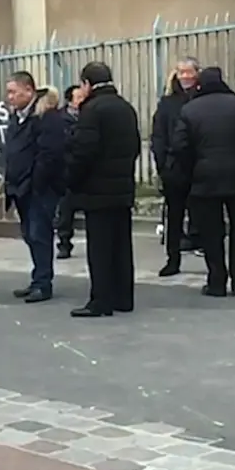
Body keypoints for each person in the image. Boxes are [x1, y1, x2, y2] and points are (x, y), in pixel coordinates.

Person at [170, 67, 235, 297]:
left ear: (200, 84)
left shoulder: (190, 110)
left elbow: (180, 147)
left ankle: (216, 281)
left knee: (211, 233)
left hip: (204, 178)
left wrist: (192, 170)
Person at [65, 62, 140, 318]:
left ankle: (101, 301)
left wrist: (72, 179)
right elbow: (135, 146)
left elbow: (84, 151)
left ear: (87, 83)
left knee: (99, 248)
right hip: (122, 187)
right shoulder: (125, 108)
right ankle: (123, 297)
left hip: (97, 190)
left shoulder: (92, 110)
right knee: (121, 245)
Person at [3, 72, 68, 303]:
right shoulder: (17, 117)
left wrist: (34, 181)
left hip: (39, 188)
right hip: (19, 187)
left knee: (39, 234)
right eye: (8, 92)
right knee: (29, 234)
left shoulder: (45, 117)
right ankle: (36, 279)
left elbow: (49, 155)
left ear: (29, 90)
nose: (9, 97)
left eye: (13, 91)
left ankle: (43, 283)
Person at [149, 57, 199, 277]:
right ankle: (173, 257)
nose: (185, 77)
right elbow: (158, 135)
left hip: (200, 165)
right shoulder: (168, 103)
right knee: (174, 216)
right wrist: (163, 164)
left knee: (204, 213)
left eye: (189, 72)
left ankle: (205, 251)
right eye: (181, 72)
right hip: (175, 167)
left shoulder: (202, 98)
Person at [55, 84, 84, 259]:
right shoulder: (60, 118)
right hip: (67, 169)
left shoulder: (90, 116)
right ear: (70, 101)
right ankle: (64, 243)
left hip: (85, 168)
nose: (82, 101)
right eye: (79, 98)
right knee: (66, 210)